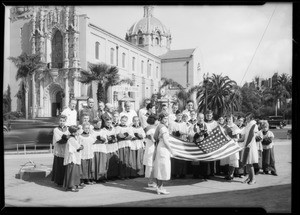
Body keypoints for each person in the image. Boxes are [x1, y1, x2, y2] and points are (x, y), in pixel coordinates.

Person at [153, 112, 176, 195]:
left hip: (161, 147)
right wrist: (171, 150)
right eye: (164, 118)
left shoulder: (161, 126)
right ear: (161, 119)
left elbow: (156, 137)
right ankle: (159, 187)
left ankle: (160, 187)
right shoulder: (162, 127)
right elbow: (165, 141)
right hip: (163, 148)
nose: (166, 119)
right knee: (162, 168)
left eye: (167, 118)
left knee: (161, 167)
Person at [238, 112, 259, 185]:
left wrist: (249, 144)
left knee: (250, 163)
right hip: (246, 145)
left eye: (247, 118)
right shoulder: (248, 125)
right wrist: (236, 139)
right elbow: (243, 135)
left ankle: (253, 179)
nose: (246, 119)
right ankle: (249, 178)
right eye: (246, 117)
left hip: (250, 146)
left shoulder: (254, 125)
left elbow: (253, 136)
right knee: (247, 163)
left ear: (251, 118)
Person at [63, 125, 84, 192]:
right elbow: (77, 147)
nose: (78, 132)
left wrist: (80, 146)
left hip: (75, 156)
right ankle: (71, 186)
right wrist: (81, 147)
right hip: (72, 158)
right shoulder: (71, 139)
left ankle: (75, 184)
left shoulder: (74, 138)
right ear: (73, 132)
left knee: (75, 171)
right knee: (72, 172)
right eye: (77, 131)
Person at [191, 113, 211, 179]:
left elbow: (210, 134)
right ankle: (196, 174)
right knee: (196, 160)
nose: (201, 119)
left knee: (204, 160)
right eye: (199, 118)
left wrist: (206, 133)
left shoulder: (207, 125)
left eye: (202, 118)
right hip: (196, 144)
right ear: (197, 118)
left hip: (204, 144)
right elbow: (190, 134)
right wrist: (197, 134)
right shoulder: (194, 126)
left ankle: (205, 174)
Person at [51, 115, 70, 186]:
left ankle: (65, 180)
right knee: (59, 165)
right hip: (59, 149)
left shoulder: (68, 129)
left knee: (65, 165)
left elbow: (70, 137)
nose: (62, 122)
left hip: (66, 149)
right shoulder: (56, 129)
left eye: (63, 121)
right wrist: (66, 138)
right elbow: (58, 140)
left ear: (65, 121)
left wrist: (67, 138)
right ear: (58, 121)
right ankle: (59, 181)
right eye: (60, 121)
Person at [223, 114, 242, 180]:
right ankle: (228, 173)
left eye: (230, 119)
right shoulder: (224, 126)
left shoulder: (235, 126)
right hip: (226, 145)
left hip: (233, 144)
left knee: (233, 159)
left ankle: (231, 174)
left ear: (232, 119)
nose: (228, 120)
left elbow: (237, 137)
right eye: (227, 119)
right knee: (227, 160)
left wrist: (234, 139)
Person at [169, 110, 187, 179]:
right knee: (175, 158)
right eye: (178, 115)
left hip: (182, 141)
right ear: (176, 115)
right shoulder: (172, 123)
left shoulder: (184, 123)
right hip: (175, 142)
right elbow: (170, 133)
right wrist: (175, 133)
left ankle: (182, 173)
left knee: (182, 157)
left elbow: (186, 132)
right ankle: (175, 173)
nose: (180, 117)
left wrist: (183, 134)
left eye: (181, 115)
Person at [143, 114, 159, 188]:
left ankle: (153, 180)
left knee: (153, 164)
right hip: (151, 148)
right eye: (157, 120)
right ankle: (150, 181)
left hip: (153, 147)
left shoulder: (154, 128)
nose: (158, 121)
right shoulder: (150, 129)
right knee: (150, 164)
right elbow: (152, 139)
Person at [103, 116, 119, 180]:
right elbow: (105, 138)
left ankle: (114, 175)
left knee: (114, 160)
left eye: (110, 122)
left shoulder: (113, 129)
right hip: (108, 146)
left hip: (113, 145)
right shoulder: (103, 129)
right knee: (108, 161)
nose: (109, 124)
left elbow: (115, 137)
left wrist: (114, 139)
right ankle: (108, 175)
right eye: (107, 122)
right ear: (105, 123)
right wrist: (108, 138)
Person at [205, 110, 219, 176]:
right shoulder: (204, 122)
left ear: (212, 115)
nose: (208, 116)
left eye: (210, 115)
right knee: (206, 157)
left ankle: (212, 172)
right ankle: (206, 172)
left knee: (212, 157)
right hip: (205, 141)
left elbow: (216, 131)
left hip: (212, 141)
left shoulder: (215, 123)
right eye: (207, 115)